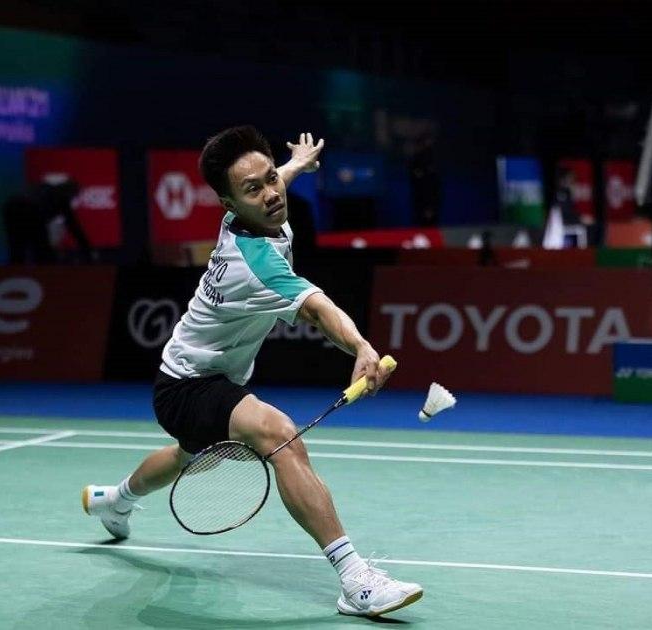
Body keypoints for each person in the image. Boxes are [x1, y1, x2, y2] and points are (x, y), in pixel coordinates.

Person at [82, 126, 423, 617]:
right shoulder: (255, 264)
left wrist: (295, 165)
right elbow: (318, 309)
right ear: (229, 202)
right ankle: (356, 581)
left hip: (195, 375)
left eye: (270, 179)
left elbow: (268, 182)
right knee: (282, 437)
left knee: (190, 456)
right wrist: (361, 346)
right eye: (253, 189)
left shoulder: (246, 213)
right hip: (188, 387)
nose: (270, 193)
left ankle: (114, 501)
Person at [3, 177, 96, 263]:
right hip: (27, 210)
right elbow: (73, 226)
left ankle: (16, 269)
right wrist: (87, 250)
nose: (73, 198)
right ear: (69, 191)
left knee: (17, 248)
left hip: (11, 209)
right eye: (74, 194)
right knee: (42, 251)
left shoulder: (45, 189)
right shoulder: (60, 197)